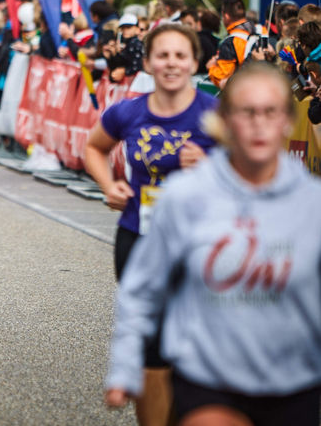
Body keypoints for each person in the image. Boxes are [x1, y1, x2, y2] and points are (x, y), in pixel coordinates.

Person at [105, 62, 321, 426]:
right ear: (225, 121)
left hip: (293, 383)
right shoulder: (185, 196)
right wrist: (125, 364)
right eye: (247, 112)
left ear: (287, 120)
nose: (258, 124)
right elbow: (141, 288)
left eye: (270, 112)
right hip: (208, 375)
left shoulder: (312, 204)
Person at [85, 24, 217, 426]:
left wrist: (212, 166)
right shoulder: (128, 111)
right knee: (151, 345)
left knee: (194, 344)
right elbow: (94, 148)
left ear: (194, 62)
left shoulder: (215, 114)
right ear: (147, 62)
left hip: (201, 242)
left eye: (180, 55)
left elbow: (253, 172)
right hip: (139, 237)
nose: (171, 64)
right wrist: (109, 185)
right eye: (163, 55)